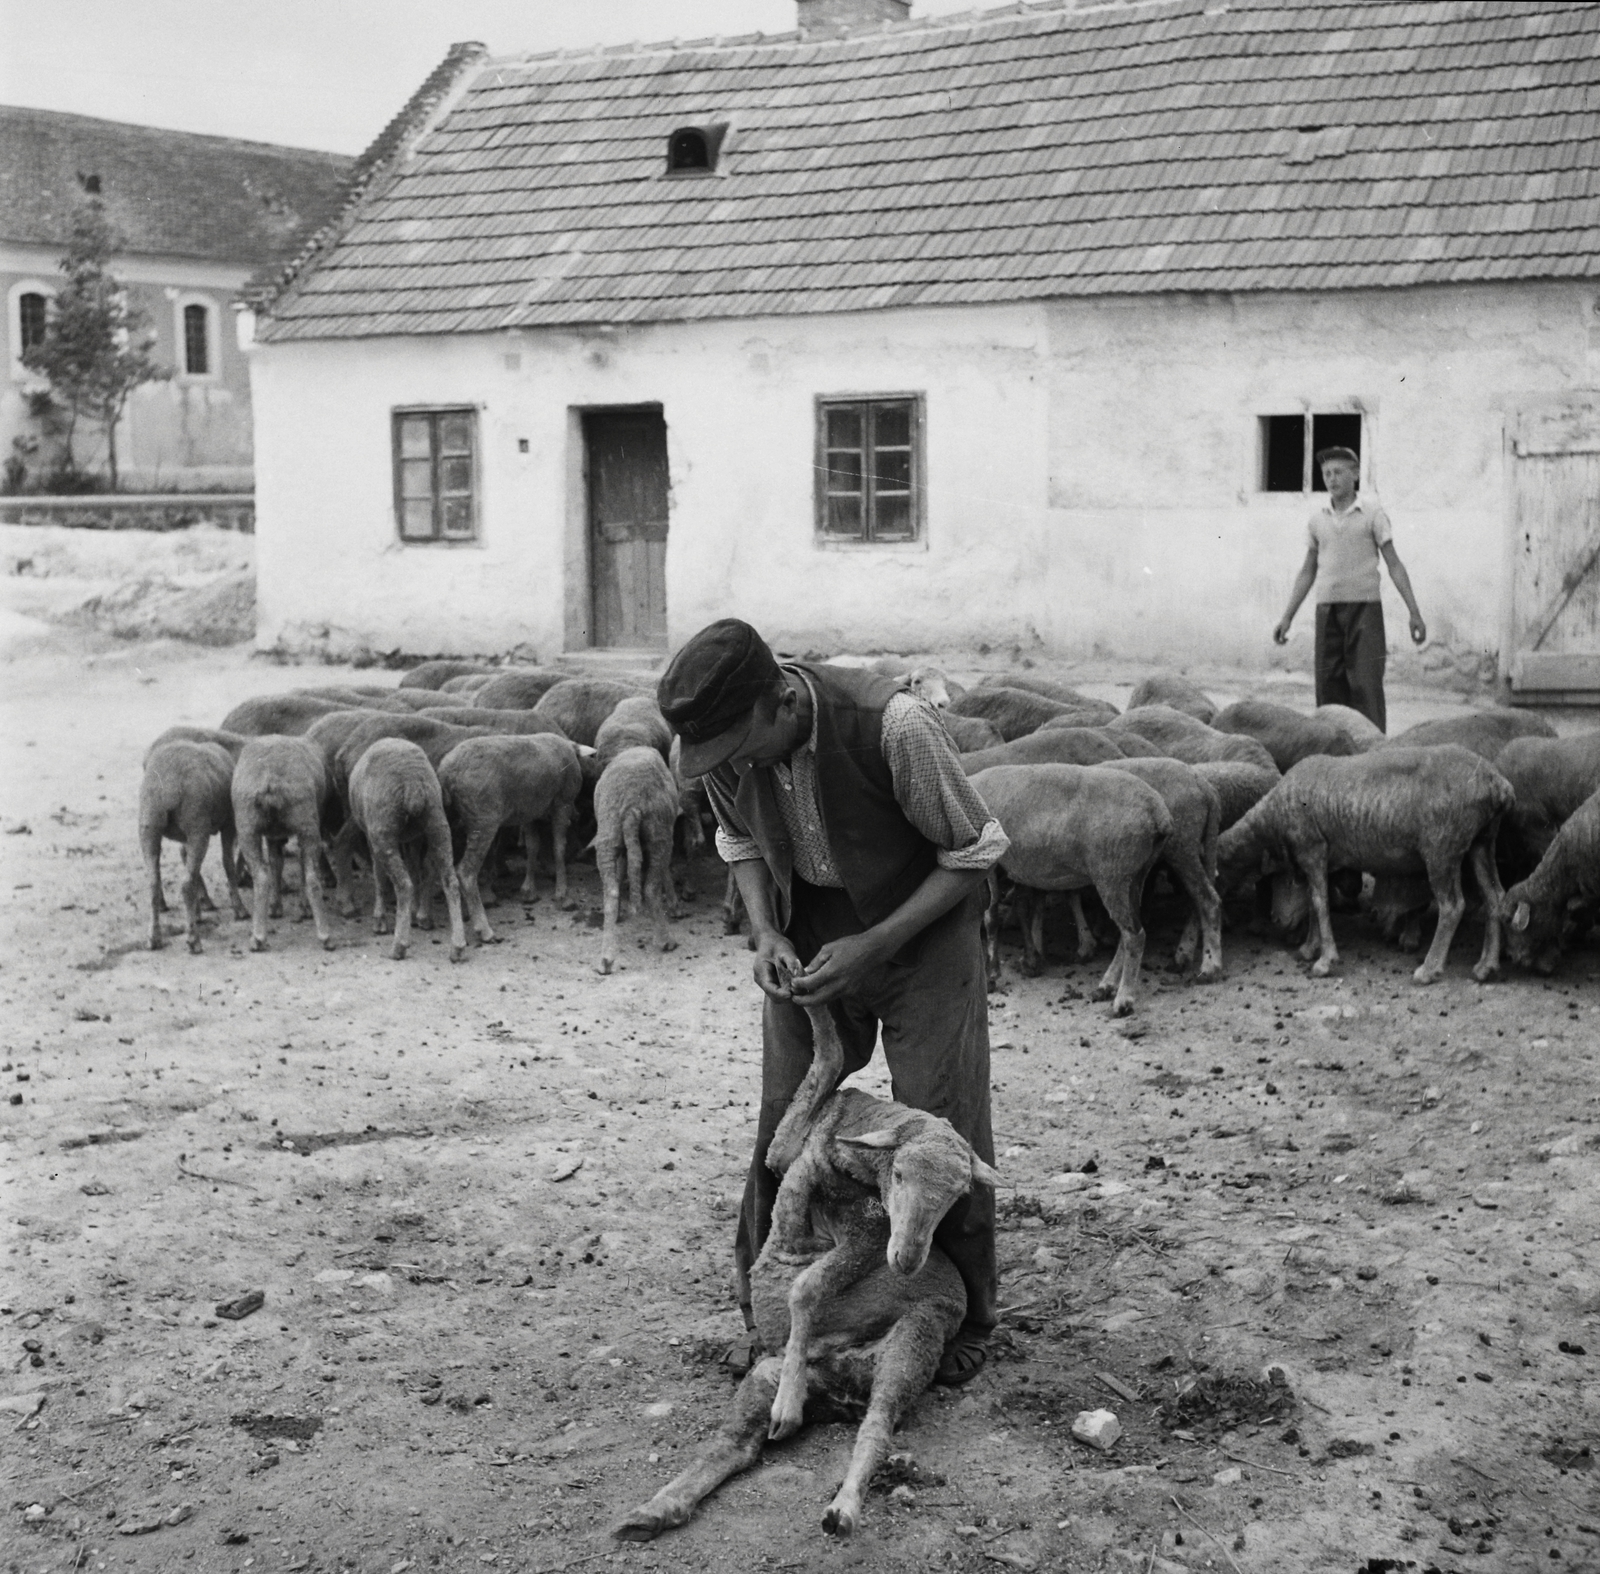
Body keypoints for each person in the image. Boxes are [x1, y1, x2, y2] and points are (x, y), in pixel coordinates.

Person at [657, 619, 1008, 1386]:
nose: (731, 765)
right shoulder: (725, 750)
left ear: (782, 701)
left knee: (938, 1121)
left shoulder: (896, 726)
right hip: (812, 928)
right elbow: (740, 841)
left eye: (740, 745)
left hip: (922, 930)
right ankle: (772, 1304)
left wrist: (876, 945)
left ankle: (962, 1313)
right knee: (786, 1112)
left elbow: (977, 850)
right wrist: (766, 932)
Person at [1273, 445, 1426, 733]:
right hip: (1327, 611)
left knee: (1365, 684)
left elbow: (1394, 564)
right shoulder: (1318, 520)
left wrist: (1414, 612)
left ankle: (1371, 752)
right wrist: (1287, 617)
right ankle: (1334, 752)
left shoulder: (1372, 515)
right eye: (1326, 473)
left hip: (1364, 612)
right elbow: (1308, 570)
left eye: (1338, 472)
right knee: (1328, 686)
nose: (1332, 479)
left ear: (1355, 474)